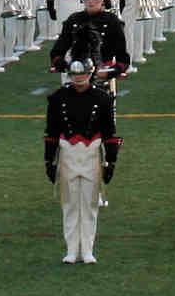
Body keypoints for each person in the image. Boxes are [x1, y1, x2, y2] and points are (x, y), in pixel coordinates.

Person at [45, 56, 120, 265]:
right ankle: (71, 250)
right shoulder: (58, 98)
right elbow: (51, 131)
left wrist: (111, 162)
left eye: (83, 74)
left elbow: (110, 133)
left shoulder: (103, 98)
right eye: (75, 74)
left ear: (90, 74)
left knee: (89, 203)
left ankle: (87, 249)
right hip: (68, 153)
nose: (79, 78)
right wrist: (48, 161)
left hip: (91, 154)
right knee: (69, 203)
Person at [51, 0, 129, 84]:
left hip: (103, 75)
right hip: (76, 75)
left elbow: (123, 58)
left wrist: (113, 72)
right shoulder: (74, 19)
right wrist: (66, 66)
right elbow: (57, 51)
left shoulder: (112, 21)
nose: (91, 2)